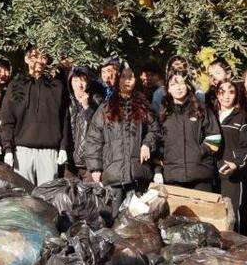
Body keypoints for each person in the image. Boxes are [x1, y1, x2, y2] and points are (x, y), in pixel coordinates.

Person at [83, 66, 160, 211]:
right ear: (118, 80)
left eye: (130, 77)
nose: (127, 81)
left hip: (137, 174)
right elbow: (94, 138)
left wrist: (147, 144)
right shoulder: (106, 108)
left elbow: (155, 130)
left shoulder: (144, 107)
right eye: (124, 77)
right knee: (113, 220)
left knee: (137, 221)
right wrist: (95, 168)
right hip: (113, 175)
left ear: (136, 80)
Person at [0, 46, 70, 186]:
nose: (39, 60)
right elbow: (7, 120)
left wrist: (63, 147)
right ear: (26, 59)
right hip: (22, 152)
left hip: (49, 152)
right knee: (24, 201)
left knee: (48, 200)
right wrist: (8, 148)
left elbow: (64, 119)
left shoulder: (56, 86)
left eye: (43, 57)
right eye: (34, 56)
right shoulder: (16, 86)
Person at [159, 72, 221, 191]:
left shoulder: (201, 109)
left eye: (181, 83)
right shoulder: (164, 114)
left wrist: (199, 152)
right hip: (173, 177)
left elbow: (215, 137)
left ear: (188, 86)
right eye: (173, 85)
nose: (178, 88)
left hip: (201, 174)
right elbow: (159, 141)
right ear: (168, 89)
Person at [214, 79, 247, 235]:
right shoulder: (211, 116)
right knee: (218, 214)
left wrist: (237, 164)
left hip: (235, 175)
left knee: (234, 215)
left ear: (236, 95)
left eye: (231, 92)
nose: (226, 96)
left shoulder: (242, 117)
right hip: (214, 173)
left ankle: (239, 250)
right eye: (222, 92)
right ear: (217, 94)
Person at [66, 67, 98, 178]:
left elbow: (98, 131)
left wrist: (87, 107)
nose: (79, 85)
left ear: (88, 82)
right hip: (68, 162)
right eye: (75, 81)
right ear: (70, 82)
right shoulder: (65, 101)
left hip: (88, 163)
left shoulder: (96, 101)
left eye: (82, 80)